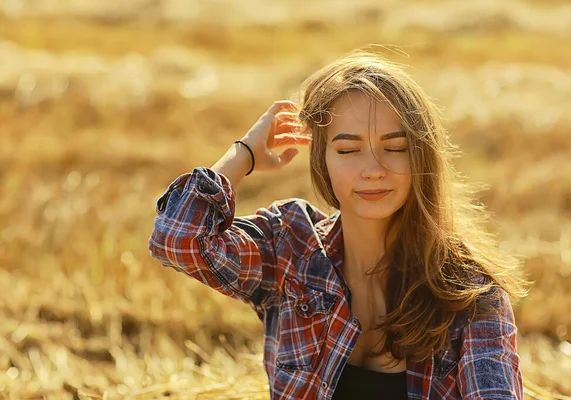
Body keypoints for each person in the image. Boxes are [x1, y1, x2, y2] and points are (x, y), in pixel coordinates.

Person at [148, 50, 528, 399]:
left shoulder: (471, 295)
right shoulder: (290, 249)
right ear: (322, 159)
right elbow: (177, 239)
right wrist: (243, 154)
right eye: (348, 150)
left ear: (422, 158)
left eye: (395, 148)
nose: (373, 170)